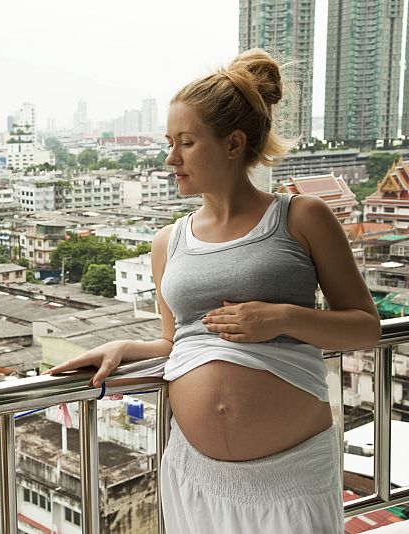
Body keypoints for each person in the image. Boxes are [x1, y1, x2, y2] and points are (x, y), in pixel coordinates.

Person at [46, 49, 381, 533]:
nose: (170, 158)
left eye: (186, 142)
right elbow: (175, 341)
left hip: (289, 474)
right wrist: (124, 348)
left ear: (232, 144)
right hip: (196, 473)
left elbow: (365, 328)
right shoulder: (169, 241)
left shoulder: (301, 216)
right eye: (169, 142)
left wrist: (280, 318)